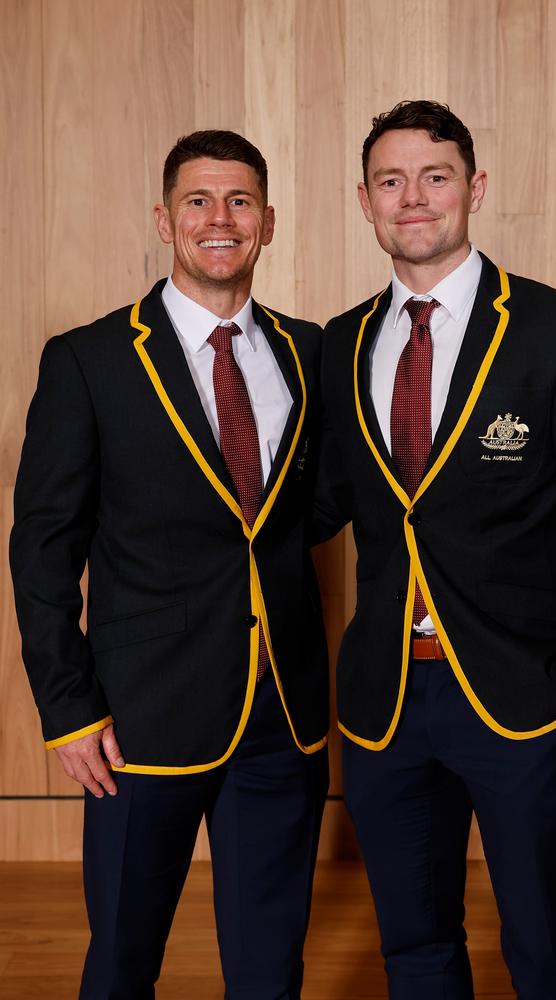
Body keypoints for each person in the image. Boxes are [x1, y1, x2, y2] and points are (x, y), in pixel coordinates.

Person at [313, 100, 556, 999]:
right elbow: (322, 505)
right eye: (391, 180)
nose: (412, 198)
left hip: (521, 695)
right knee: (414, 944)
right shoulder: (340, 344)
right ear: (365, 200)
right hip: (386, 702)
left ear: (475, 188)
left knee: (546, 947)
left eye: (435, 176)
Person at [10, 129, 329, 999]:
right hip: (139, 718)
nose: (218, 219)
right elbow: (42, 547)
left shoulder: (309, 353)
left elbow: (321, 510)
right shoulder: (90, 360)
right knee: (121, 959)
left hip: (283, 708)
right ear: (164, 219)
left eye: (238, 202)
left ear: (268, 221)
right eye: (198, 200)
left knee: (270, 966)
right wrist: (69, 710)